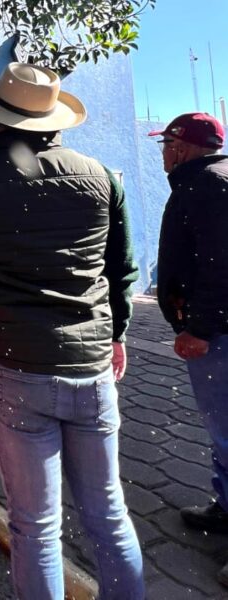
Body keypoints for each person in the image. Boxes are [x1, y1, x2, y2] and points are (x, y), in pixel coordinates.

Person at [0, 63, 143, 599]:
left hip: (15, 369)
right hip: (92, 372)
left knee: (37, 527)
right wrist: (117, 336)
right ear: (51, 118)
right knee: (109, 514)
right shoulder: (103, 177)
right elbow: (123, 272)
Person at [153, 113, 228, 568]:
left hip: (218, 334)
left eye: (165, 144)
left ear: (179, 147)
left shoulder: (208, 186)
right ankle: (225, 509)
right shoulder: (208, 180)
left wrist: (199, 329)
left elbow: (221, 265)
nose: (162, 153)